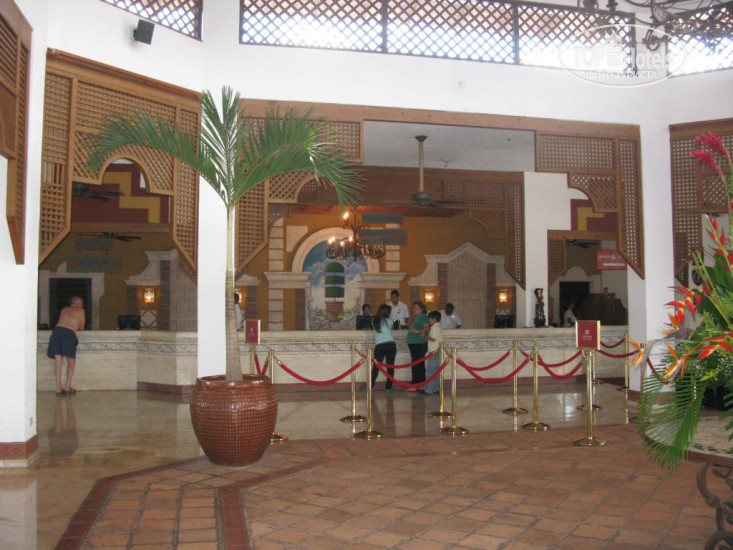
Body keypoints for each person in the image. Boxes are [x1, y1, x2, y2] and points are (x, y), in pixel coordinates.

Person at [47, 296, 85, 395]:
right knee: (71, 361)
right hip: (69, 333)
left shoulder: (64, 309)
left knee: (58, 361)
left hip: (57, 332)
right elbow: (81, 327)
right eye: (81, 304)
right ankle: (67, 387)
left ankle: (58, 387)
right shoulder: (80, 311)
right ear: (78, 304)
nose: (82, 306)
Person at [371, 304, 397, 391]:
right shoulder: (389, 320)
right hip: (391, 344)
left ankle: (371, 386)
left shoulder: (374, 320)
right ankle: (388, 387)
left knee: (376, 367)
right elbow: (392, 328)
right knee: (390, 367)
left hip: (380, 346)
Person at [406, 301, 428, 392]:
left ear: (421, 309)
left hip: (418, 344)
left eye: (416, 308)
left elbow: (426, 328)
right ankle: (420, 384)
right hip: (416, 344)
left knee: (416, 365)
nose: (413, 310)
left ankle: (415, 385)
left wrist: (416, 332)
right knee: (418, 364)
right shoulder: (419, 317)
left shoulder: (422, 317)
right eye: (413, 308)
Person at [422, 311, 443, 395]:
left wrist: (424, 336)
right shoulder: (438, 326)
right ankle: (435, 389)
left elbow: (433, 339)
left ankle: (429, 390)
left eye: (429, 319)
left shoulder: (434, 327)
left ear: (434, 319)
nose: (428, 321)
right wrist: (425, 337)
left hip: (434, 352)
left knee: (430, 372)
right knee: (436, 372)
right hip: (437, 351)